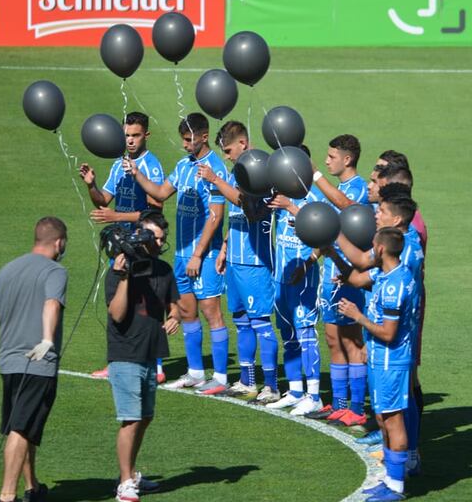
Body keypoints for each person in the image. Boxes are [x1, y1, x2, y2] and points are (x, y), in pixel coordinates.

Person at [127, 112, 230, 395]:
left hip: (203, 255)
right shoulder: (184, 165)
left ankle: (221, 377)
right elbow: (161, 193)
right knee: (186, 311)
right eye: (183, 140)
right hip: (183, 254)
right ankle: (195, 372)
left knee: (211, 312)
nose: (184, 145)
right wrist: (136, 173)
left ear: (204, 137)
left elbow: (216, 216)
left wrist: (198, 254)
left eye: (188, 140)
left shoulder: (215, 169)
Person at [0, 217, 68, 502]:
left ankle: (33, 487)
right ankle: (7, 495)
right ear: (59, 242)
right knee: (20, 429)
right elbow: (51, 303)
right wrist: (47, 340)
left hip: (8, 360)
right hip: (37, 362)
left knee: (25, 424)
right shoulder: (55, 271)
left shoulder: (8, 269)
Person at [197, 120, 279, 403]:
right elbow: (236, 216)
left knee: (261, 324)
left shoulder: (261, 171)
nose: (227, 156)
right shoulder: (235, 172)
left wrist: (215, 180)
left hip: (256, 262)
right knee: (242, 322)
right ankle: (247, 380)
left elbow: (249, 207)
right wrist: (224, 248)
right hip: (234, 260)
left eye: (229, 150)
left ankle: (271, 385)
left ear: (243, 143)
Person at [80, 112, 166, 381]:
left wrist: (116, 216)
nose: (129, 140)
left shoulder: (151, 166)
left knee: (146, 304)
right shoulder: (119, 165)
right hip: (120, 246)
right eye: (126, 135)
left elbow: (156, 211)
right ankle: (118, 361)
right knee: (117, 304)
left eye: (135, 135)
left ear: (146, 135)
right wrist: (91, 185)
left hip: (142, 246)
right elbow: (103, 200)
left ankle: (156, 365)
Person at [337, 227, 419, 502]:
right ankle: (390, 478)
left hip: (391, 361)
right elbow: (355, 279)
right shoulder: (386, 274)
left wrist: (357, 316)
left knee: (393, 420)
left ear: (381, 249)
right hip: (380, 358)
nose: (370, 250)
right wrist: (331, 254)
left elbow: (388, 333)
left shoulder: (395, 285)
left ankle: (396, 486)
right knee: (384, 418)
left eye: (373, 245)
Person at [105, 210, 179, 502]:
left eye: (162, 238)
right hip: (125, 353)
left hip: (151, 353)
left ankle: (130, 473)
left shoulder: (164, 270)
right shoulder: (118, 270)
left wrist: (174, 316)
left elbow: (175, 305)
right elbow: (117, 314)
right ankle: (125, 482)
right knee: (131, 419)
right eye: (155, 238)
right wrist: (124, 277)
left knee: (145, 417)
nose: (159, 243)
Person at [307, 135, 369, 426]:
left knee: (352, 342)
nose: (327, 160)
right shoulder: (339, 188)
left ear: (348, 159)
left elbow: (346, 206)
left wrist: (315, 175)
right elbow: (327, 231)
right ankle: (340, 403)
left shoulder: (357, 187)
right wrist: (310, 260)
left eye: (332, 156)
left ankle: (356, 408)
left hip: (349, 277)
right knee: (333, 341)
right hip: (330, 276)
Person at [266, 144, 326, 415]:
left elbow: (324, 234)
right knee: (288, 334)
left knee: (306, 334)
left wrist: (308, 263)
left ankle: (314, 396)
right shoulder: (280, 194)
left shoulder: (315, 197)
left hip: (304, 278)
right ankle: (295, 391)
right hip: (280, 277)